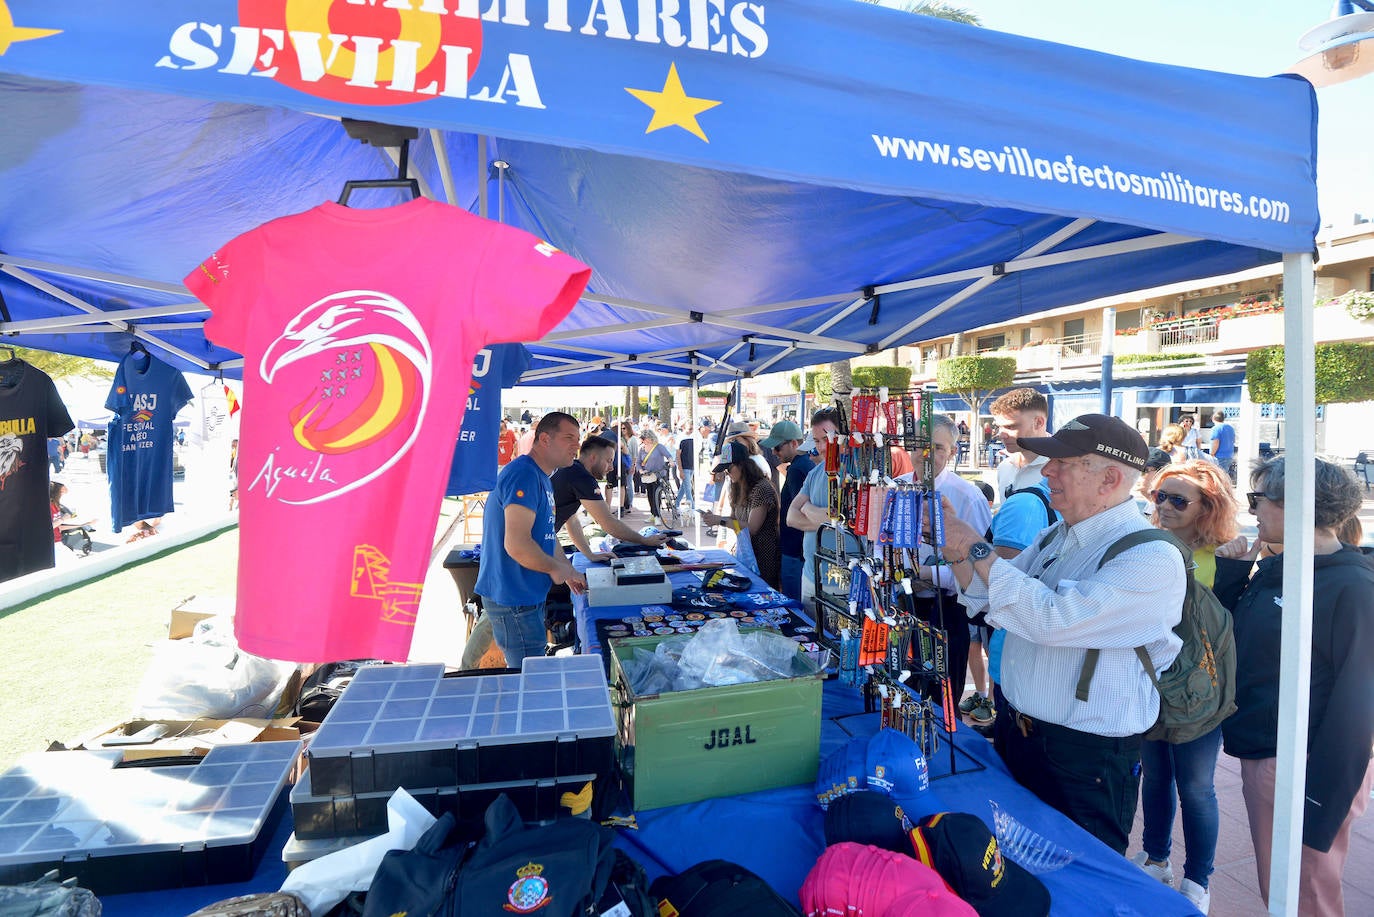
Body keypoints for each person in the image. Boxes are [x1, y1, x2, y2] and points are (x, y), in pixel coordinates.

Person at [937, 414, 1185, 855]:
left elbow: (1052, 620)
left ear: (1110, 478)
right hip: (1019, 731)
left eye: (1063, 462)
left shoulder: (1151, 556)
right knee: (1015, 860)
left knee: (1079, 876)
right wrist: (956, 547)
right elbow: (992, 594)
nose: (1046, 470)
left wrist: (974, 546)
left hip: (1083, 757)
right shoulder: (1058, 533)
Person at [1213, 458, 1373, 917]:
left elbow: (1357, 702)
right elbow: (1228, 641)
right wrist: (1232, 573)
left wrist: (1321, 798)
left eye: (1258, 500)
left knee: (1303, 896)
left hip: (1303, 765)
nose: (1253, 511)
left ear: (1297, 506)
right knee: (1282, 891)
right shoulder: (1281, 567)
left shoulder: (1351, 587)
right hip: (1268, 754)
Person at [1128, 459, 1240, 913]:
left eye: (1179, 499)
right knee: (1155, 777)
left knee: (1196, 787)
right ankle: (1157, 858)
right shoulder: (1147, 545)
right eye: (1160, 496)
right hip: (1153, 683)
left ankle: (1198, 878)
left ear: (1206, 507)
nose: (1166, 506)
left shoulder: (1226, 557)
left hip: (1201, 694)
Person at [972, 389, 1057, 730]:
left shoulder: (1055, 467)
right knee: (998, 645)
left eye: (1010, 426)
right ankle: (998, 711)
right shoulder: (1007, 466)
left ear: (1039, 422)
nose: (1001, 433)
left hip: (1042, 582)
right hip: (1005, 571)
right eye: (998, 426)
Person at [474, 412, 587, 666]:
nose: (576, 445)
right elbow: (517, 544)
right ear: (545, 439)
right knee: (527, 678)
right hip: (514, 599)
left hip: (525, 596)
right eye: (569, 438)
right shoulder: (524, 474)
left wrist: (567, 569)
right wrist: (555, 568)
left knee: (528, 672)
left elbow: (547, 535)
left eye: (578, 439)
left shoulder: (541, 477)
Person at [898, 414, 992, 708]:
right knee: (902, 691)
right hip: (902, 609)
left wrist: (923, 573)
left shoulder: (968, 496)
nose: (926, 454)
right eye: (919, 446)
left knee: (943, 700)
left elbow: (979, 570)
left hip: (947, 612)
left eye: (937, 447)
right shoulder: (895, 488)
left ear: (952, 452)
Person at [553, 436, 669, 560]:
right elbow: (608, 522)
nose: (611, 468)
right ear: (593, 458)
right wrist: (644, 540)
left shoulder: (573, 470)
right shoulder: (581, 476)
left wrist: (589, 554)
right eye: (609, 461)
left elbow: (572, 520)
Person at [784, 407, 843, 609]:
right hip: (810, 577)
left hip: (841, 584)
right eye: (817, 441)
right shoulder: (815, 473)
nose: (821, 447)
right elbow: (791, 518)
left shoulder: (854, 475)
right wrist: (824, 519)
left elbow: (837, 521)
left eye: (826, 439)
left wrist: (807, 508)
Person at [702, 441, 781, 589]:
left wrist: (719, 521)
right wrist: (716, 519)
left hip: (764, 555)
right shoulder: (737, 487)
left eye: (729, 469)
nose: (727, 474)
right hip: (746, 552)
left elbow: (751, 528)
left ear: (742, 465)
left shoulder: (762, 488)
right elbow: (734, 519)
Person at [761, 420, 809, 601]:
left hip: (795, 551)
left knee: (793, 606)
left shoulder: (797, 469)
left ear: (794, 443)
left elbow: (803, 511)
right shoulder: (801, 465)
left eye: (777, 448)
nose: (773, 452)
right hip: (797, 549)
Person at [637, 430, 673, 524]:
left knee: (656, 495)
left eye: (644, 439)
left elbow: (668, 455)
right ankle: (653, 514)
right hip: (647, 475)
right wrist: (641, 470)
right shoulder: (642, 449)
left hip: (659, 475)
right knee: (650, 495)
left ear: (649, 438)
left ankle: (657, 516)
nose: (643, 441)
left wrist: (671, 461)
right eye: (642, 439)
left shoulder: (659, 447)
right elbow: (638, 462)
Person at [1207, 411, 1237, 483]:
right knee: (1225, 475)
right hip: (1229, 454)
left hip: (1219, 456)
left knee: (1219, 477)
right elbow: (1233, 440)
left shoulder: (1216, 428)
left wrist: (1212, 453)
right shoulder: (1230, 428)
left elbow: (1216, 442)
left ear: (1213, 419)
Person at [676, 426, 696, 512]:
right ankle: (693, 509)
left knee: (684, 487)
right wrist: (680, 470)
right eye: (689, 428)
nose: (690, 430)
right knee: (688, 488)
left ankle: (676, 504)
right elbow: (678, 455)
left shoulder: (694, 438)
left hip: (691, 466)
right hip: (685, 467)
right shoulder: (681, 438)